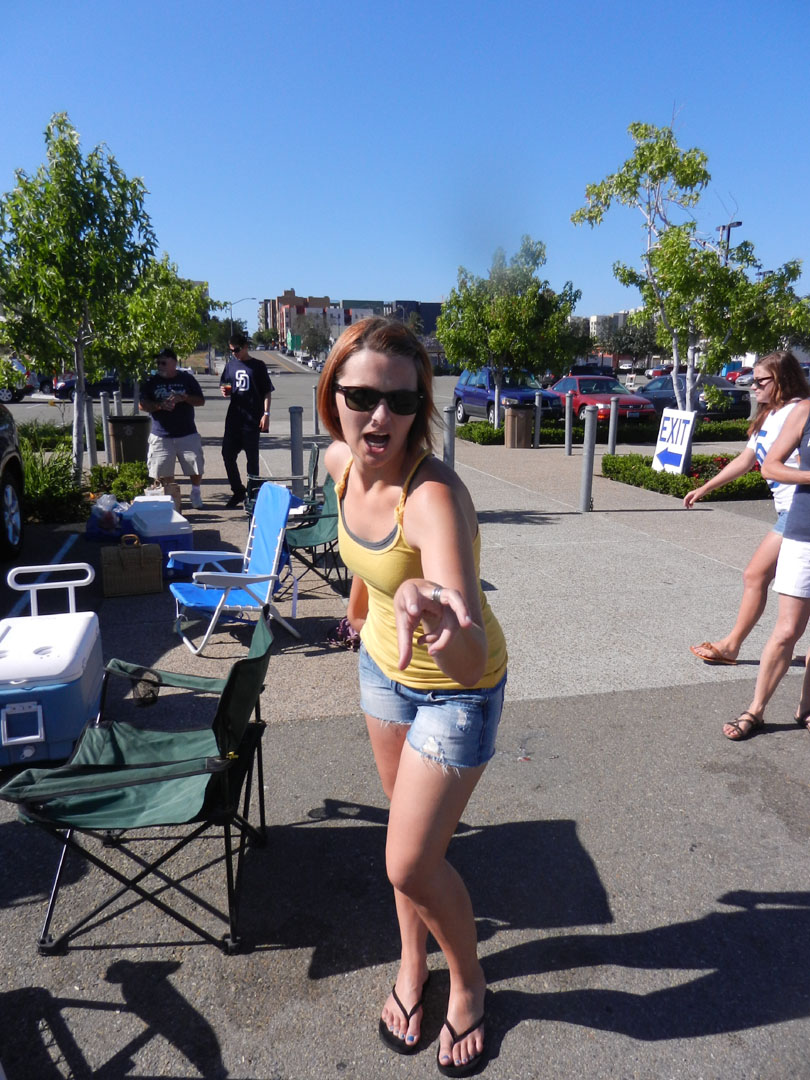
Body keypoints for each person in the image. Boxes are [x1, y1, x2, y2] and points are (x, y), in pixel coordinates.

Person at [318, 318, 507, 1076]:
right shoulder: (337, 462)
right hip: (381, 673)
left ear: (420, 407)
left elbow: (468, 660)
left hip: (457, 692)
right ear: (333, 396)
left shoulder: (431, 499)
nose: (380, 417)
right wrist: (363, 607)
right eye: (362, 397)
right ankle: (410, 962)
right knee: (411, 845)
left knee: (408, 864)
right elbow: (365, 557)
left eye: (400, 402)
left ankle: (468, 983)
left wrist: (433, 615)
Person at [685, 351, 810, 665]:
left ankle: (731, 645)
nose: (752, 386)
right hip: (788, 511)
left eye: (760, 381)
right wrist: (705, 488)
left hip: (799, 510)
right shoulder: (769, 415)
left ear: (781, 380)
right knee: (766, 579)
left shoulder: (797, 412)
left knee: (756, 575)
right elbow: (746, 460)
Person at [725, 391, 810, 739]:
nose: (755, 388)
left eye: (762, 381)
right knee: (787, 630)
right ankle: (756, 709)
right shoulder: (804, 411)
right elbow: (770, 466)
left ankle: (806, 707)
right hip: (804, 531)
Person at [139, 347, 206, 509]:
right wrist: (160, 405)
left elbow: (200, 400)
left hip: (187, 432)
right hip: (161, 435)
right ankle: (170, 498)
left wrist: (184, 398)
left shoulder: (186, 379)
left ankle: (195, 492)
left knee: (195, 466)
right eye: (158, 363)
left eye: (163, 363)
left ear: (174, 363)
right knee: (162, 471)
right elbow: (142, 405)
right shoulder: (152, 381)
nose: (159, 366)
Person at [220, 333, 274, 508]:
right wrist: (225, 390)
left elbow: (267, 391)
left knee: (252, 459)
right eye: (231, 351)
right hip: (234, 418)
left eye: (236, 350)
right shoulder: (230, 365)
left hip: (252, 419)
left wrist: (266, 414)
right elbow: (225, 384)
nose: (234, 353)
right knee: (227, 455)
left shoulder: (258, 366)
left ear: (245, 347)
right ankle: (238, 491)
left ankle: (252, 494)